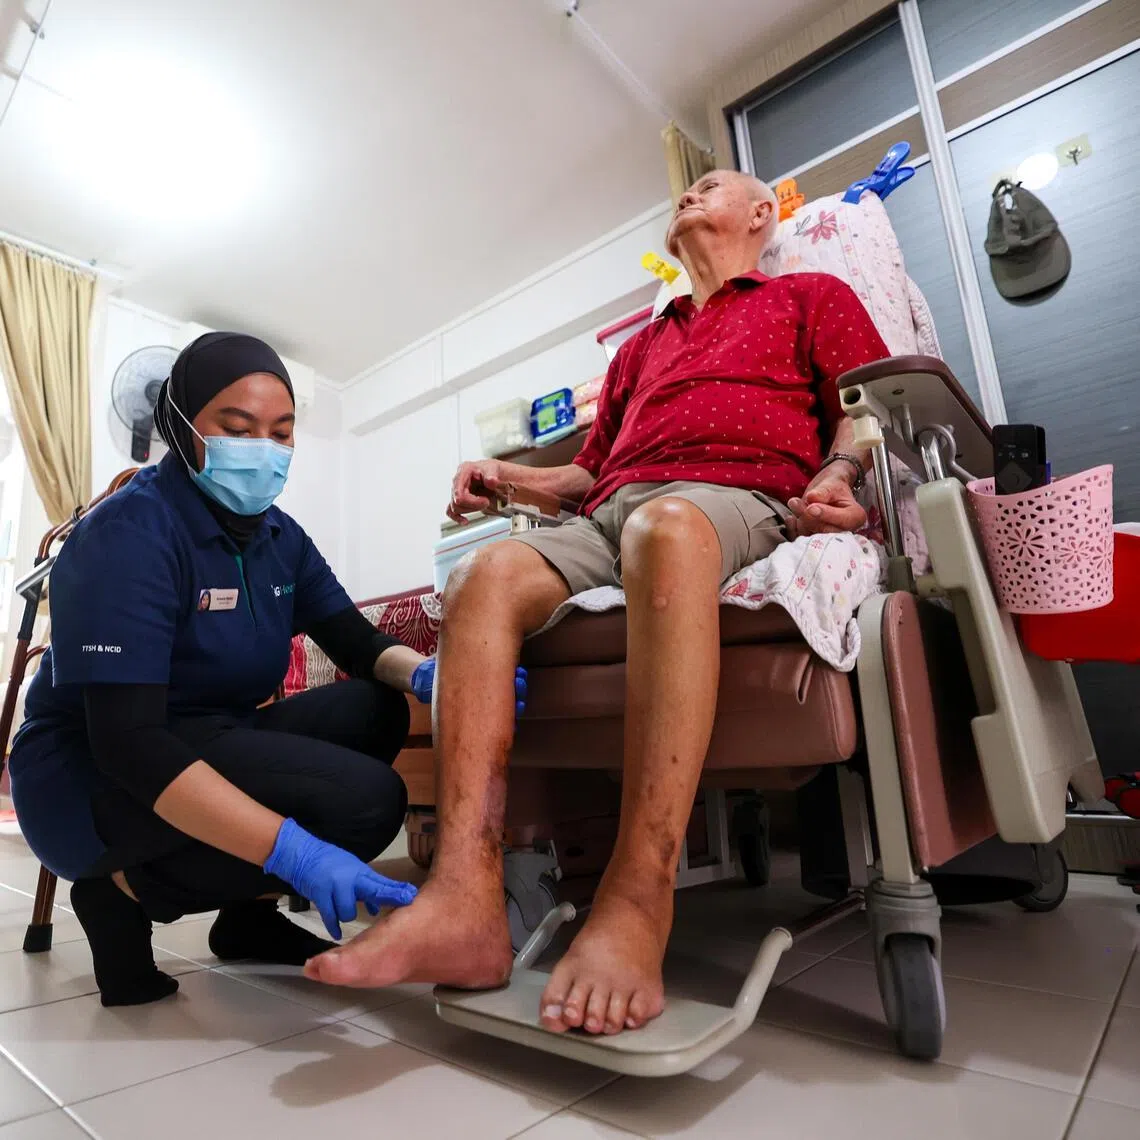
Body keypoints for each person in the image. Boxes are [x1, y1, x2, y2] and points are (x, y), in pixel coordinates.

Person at [303, 171, 891, 1037]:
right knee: (482, 576)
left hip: (735, 497)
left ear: (765, 215)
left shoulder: (809, 294)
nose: (691, 193)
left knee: (667, 529)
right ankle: (465, 897)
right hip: (618, 507)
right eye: (686, 187)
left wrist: (840, 475)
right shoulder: (639, 349)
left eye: (714, 184)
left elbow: (863, 407)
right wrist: (508, 476)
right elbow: (589, 475)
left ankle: (638, 895)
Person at [9, 332, 428, 1008]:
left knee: (375, 707)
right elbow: (129, 744)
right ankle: (117, 893)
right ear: (178, 423)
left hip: (208, 735)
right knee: (368, 803)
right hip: (88, 775)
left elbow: (354, 640)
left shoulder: (278, 537)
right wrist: (293, 851)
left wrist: (424, 674)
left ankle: (247, 920)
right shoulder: (128, 533)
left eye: (282, 432)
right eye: (237, 428)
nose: (263, 449)